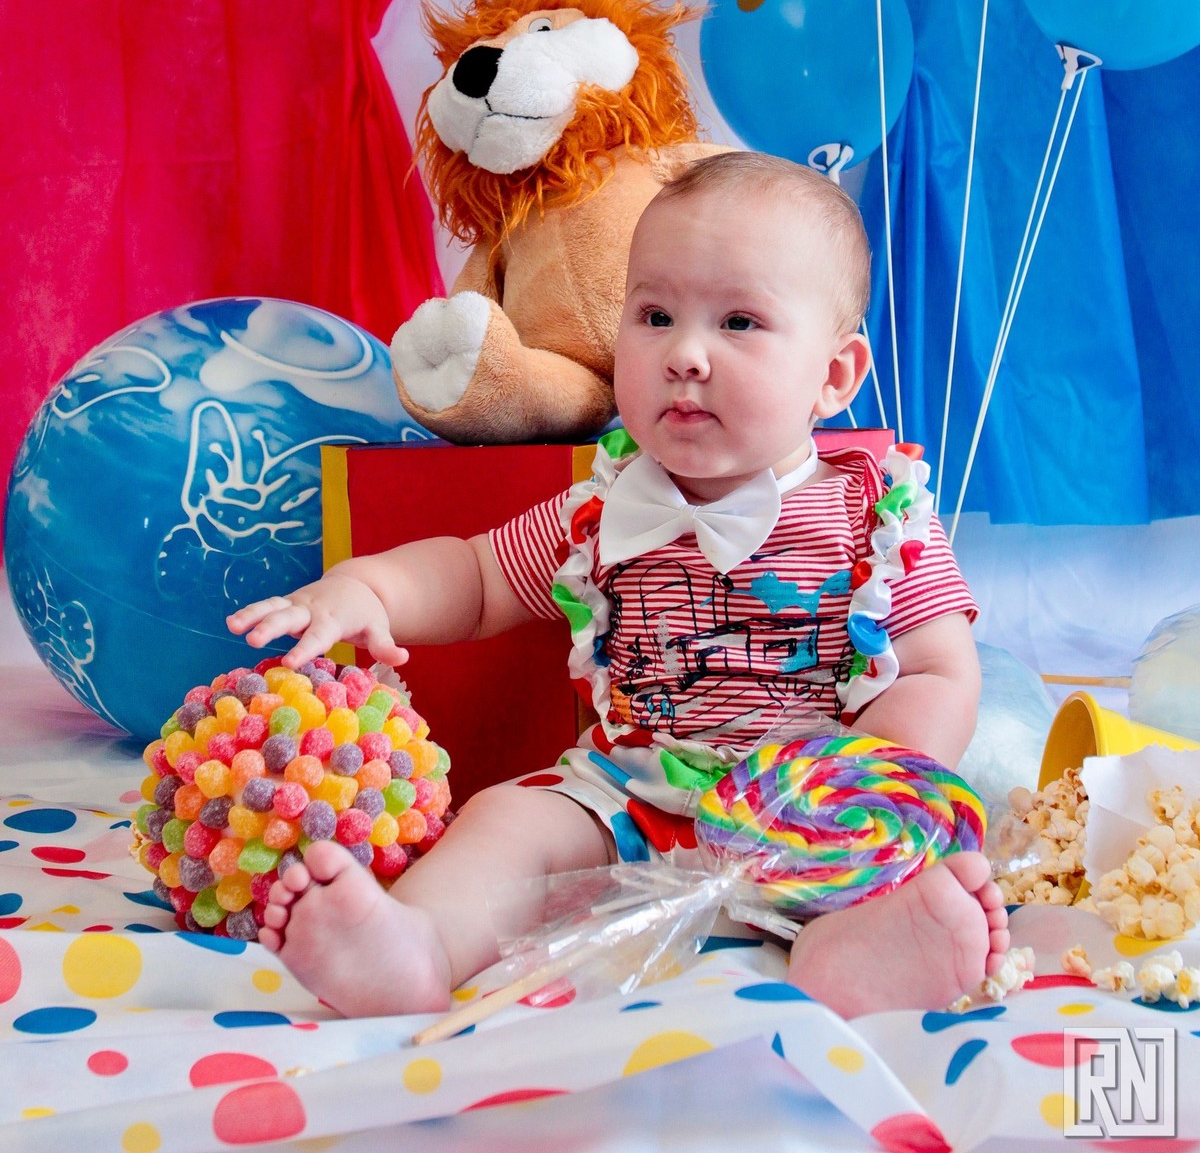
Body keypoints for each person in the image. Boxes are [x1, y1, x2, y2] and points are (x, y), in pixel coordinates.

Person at [228, 151, 1009, 1019]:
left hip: (808, 818)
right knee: (508, 821)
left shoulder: (878, 516)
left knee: (878, 882)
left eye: (739, 322)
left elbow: (940, 669)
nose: (685, 354)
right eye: (656, 315)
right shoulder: (606, 510)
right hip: (627, 799)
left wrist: (868, 772)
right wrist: (369, 588)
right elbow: (478, 576)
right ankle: (418, 944)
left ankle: (858, 959)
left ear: (832, 377)